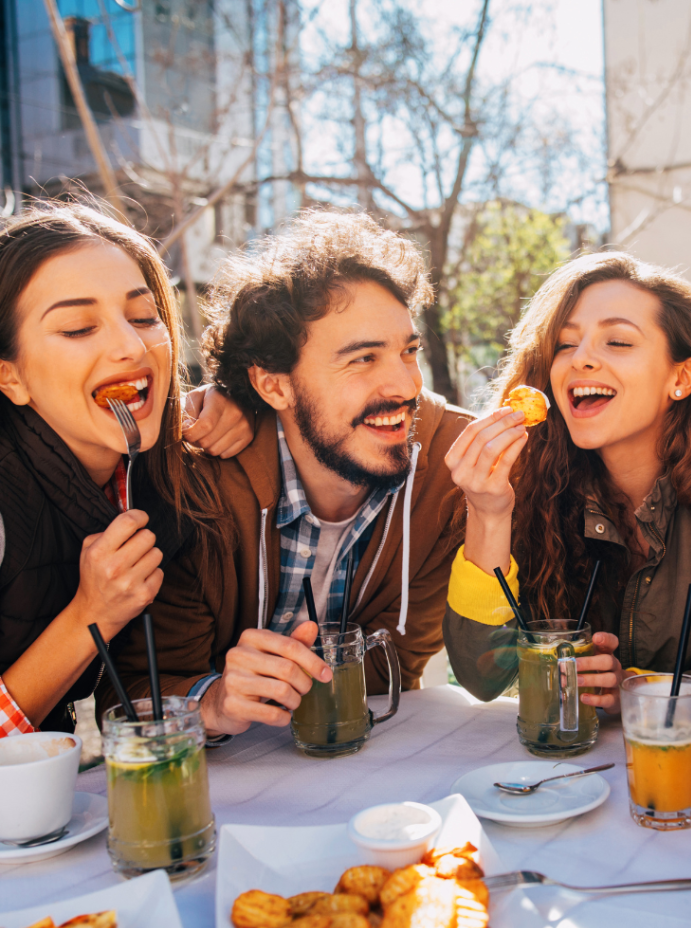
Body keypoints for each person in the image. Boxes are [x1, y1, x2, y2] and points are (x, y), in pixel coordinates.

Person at [106, 209, 471, 737]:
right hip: (225, 789)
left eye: (408, 351)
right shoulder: (192, 486)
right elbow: (139, 688)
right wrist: (213, 701)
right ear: (274, 386)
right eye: (362, 359)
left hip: (371, 772)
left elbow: (398, 669)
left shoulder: (449, 471)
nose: (404, 385)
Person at [443, 252, 691, 722]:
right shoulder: (526, 488)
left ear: (680, 378)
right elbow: (482, 677)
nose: (581, 358)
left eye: (618, 342)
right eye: (565, 345)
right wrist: (487, 511)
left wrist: (641, 689)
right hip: (560, 772)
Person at [0, 204, 246, 735]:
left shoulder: (159, 476)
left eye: (142, 317)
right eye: (77, 328)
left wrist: (236, 402)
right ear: (10, 376)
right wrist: (92, 614)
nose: (132, 348)